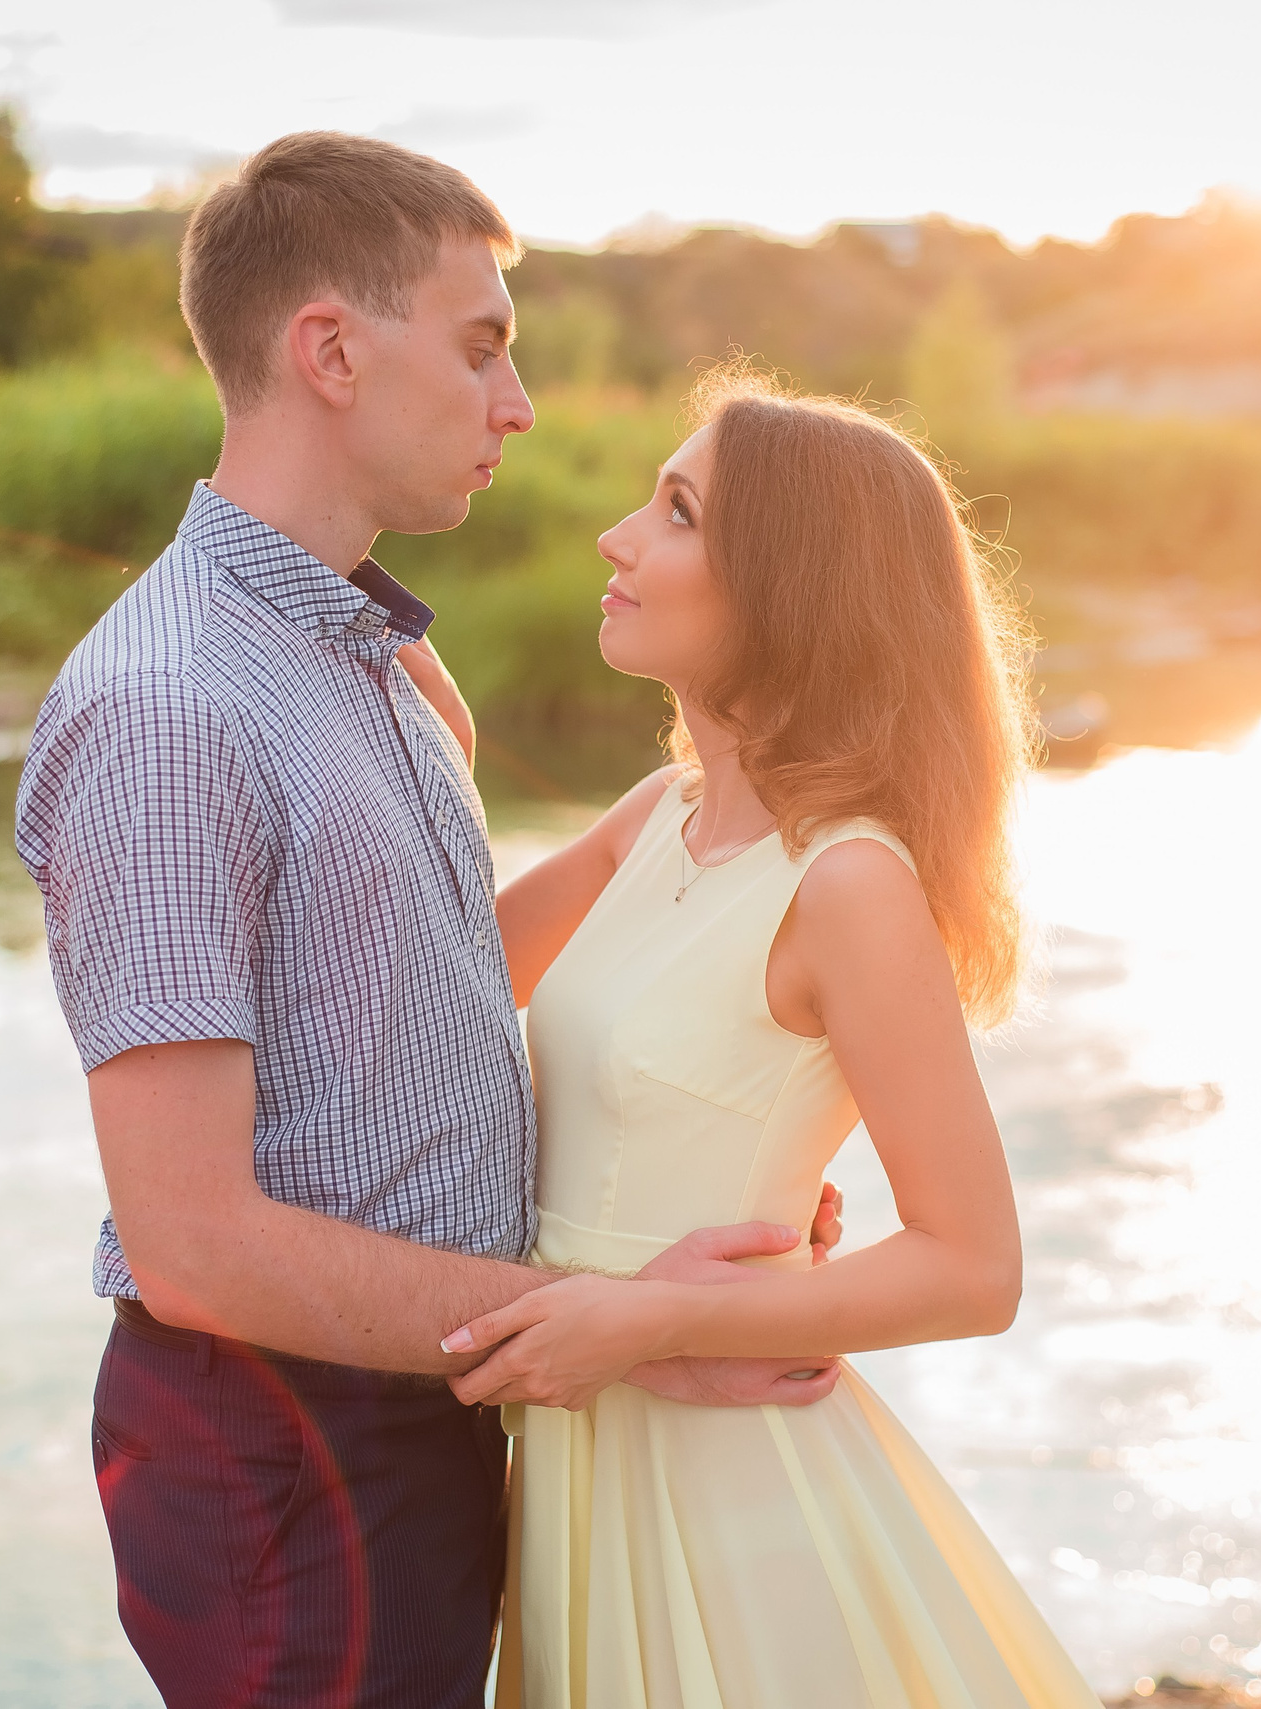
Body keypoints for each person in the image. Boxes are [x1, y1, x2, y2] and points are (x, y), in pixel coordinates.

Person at [13, 135, 842, 1709]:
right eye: (482, 350)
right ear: (329, 349)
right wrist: (620, 1332)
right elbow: (193, 1244)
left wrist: (712, 1168)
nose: (517, 406)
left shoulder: (376, 661)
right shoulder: (169, 708)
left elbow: (428, 995)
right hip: (284, 1443)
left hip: (421, 1387)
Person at [447, 367, 1107, 1706]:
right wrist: (422, 722)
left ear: (790, 589)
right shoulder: (653, 814)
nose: (616, 539)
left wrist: (670, 1316)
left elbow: (974, 1267)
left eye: (677, 512)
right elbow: (433, 986)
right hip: (581, 1458)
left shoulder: (847, 879)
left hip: (727, 1484)